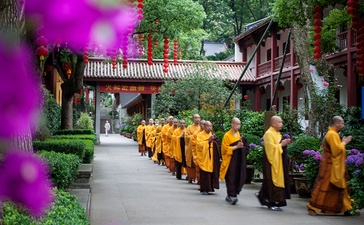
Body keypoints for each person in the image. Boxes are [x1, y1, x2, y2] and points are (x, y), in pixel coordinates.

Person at [307, 116, 359, 216]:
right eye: (341, 123)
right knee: (324, 188)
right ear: (336, 123)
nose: (342, 125)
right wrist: (344, 142)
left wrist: (341, 142)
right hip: (330, 167)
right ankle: (311, 206)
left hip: (336, 166)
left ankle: (347, 208)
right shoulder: (331, 134)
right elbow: (336, 151)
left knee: (341, 188)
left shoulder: (334, 134)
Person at [256, 116, 291, 211]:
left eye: (282, 122)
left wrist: (283, 144)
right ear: (273, 123)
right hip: (271, 162)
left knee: (275, 181)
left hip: (278, 161)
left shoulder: (278, 134)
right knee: (271, 181)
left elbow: (278, 147)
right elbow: (270, 149)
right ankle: (272, 203)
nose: (281, 124)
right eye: (279, 122)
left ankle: (262, 195)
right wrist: (281, 145)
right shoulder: (268, 134)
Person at [220, 118, 250, 205]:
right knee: (230, 177)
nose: (238, 126)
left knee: (238, 176)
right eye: (237, 124)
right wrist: (236, 147)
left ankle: (232, 194)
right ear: (232, 124)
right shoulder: (227, 136)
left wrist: (242, 147)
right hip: (230, 160)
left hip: (239, 161)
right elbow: (224, 150)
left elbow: (247, 148)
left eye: (239, 124)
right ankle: (232, 195)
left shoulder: (241, 136)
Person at [196, 121, 221, 195]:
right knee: (205, 174)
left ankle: (211, 187)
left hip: (212, 157)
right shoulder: (200, 135)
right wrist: (208, 141)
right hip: (204, 157)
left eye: (210, 126)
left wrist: (213, 142)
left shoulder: (213, 135)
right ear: (204, 127)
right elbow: (198, 145)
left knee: (212, 173)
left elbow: (218, 145)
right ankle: (204, 189)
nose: (209, 127)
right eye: (208, 126)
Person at [185, 114, 201, 183]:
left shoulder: (202, 127)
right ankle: (190, 177)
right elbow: (186, 137)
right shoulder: (189, 127)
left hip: (199, 148)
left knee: (197, 163)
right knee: (191, 163)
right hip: (191, 148)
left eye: (198, 118)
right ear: (193, 119)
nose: (197, 119)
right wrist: (194, 137)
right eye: (196, 118)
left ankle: (198, 178)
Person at [192, 120, 206, 185]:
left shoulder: (210, 134)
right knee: (198, 168)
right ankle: (199, 181)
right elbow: (193, 142)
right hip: (198, 153)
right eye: (203, 124)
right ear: (200, 125)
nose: (204, 126)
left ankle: (204, 182)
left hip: (206, 154)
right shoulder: (196, 134)